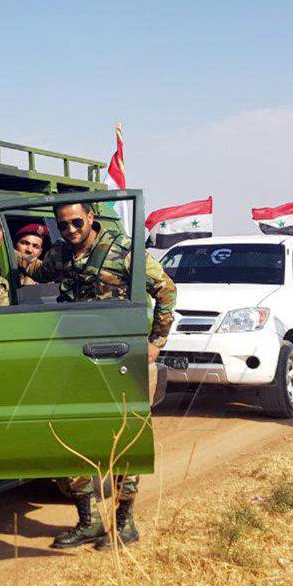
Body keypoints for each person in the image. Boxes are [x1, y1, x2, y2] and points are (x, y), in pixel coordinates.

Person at [18, 201, 176, 550]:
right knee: (70, 437)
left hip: (118, 358)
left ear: (91, 217)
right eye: (63, 225)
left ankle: (124, 525)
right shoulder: (62, 253)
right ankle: (88, 522)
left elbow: (166, 289)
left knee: (121, 440)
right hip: (75, 358)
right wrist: (14, 255)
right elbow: (42, 273)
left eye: (77, 221)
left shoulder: (123, 251)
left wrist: (155, 342)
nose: (71, 229)